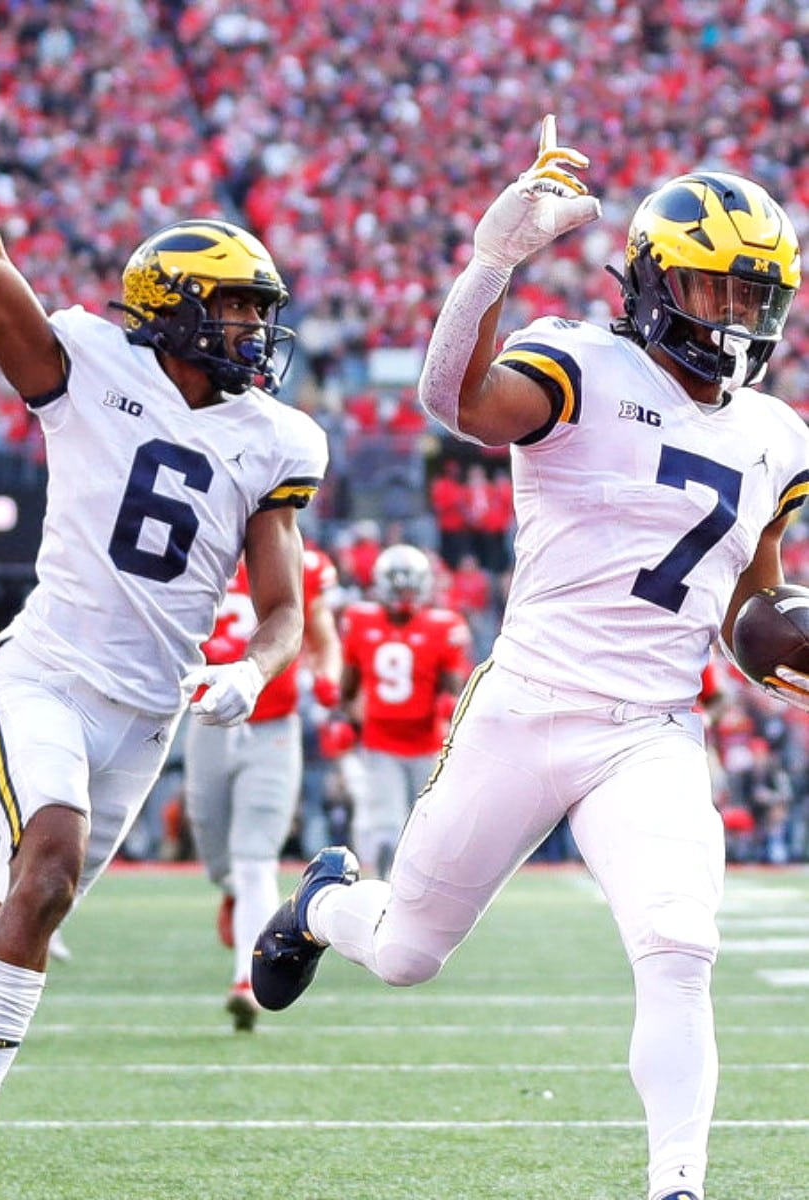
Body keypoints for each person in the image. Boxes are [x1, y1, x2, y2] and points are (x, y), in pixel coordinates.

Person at [251, 114, 809, 1200]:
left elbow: (750, 597)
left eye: (755, 294)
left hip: (647, 731)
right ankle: (323, 903)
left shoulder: (778, 435)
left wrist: (789, 646)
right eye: (713, 289)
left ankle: (678, 1182)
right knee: (408, 951)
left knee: (680, 944)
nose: (736, 316)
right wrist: (492, 263)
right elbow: (452, 401)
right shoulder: (585, 363)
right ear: (653, 284)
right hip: (527, 704)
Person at [0, 33, 328, 1198]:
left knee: (10, 913)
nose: (255, 333)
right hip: (40, 673)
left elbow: (284, 601)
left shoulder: (272, 440)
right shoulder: (87, 367)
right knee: (45, 868)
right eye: (237, 311)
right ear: (173, 309)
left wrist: (259, 665)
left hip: (146, 720)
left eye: (260, 313)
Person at [183, 544, 341, 1031]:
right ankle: (232, 891)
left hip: (274, 726)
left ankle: (246, 985)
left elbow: (323, 637)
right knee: (214, 843)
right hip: (207, 720)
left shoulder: (304, 559)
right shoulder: (197, 549)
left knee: (255, 858)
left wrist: (328, 682)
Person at [338, 543, 472, 876]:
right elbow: (454, 688)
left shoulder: (359, 618)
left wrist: (347, 713)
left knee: (411, 828)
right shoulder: (443, 625)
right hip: (397, 743)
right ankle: (391, 891)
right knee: (399, 828)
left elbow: (347, 686)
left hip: (410, 742)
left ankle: (402, 889)